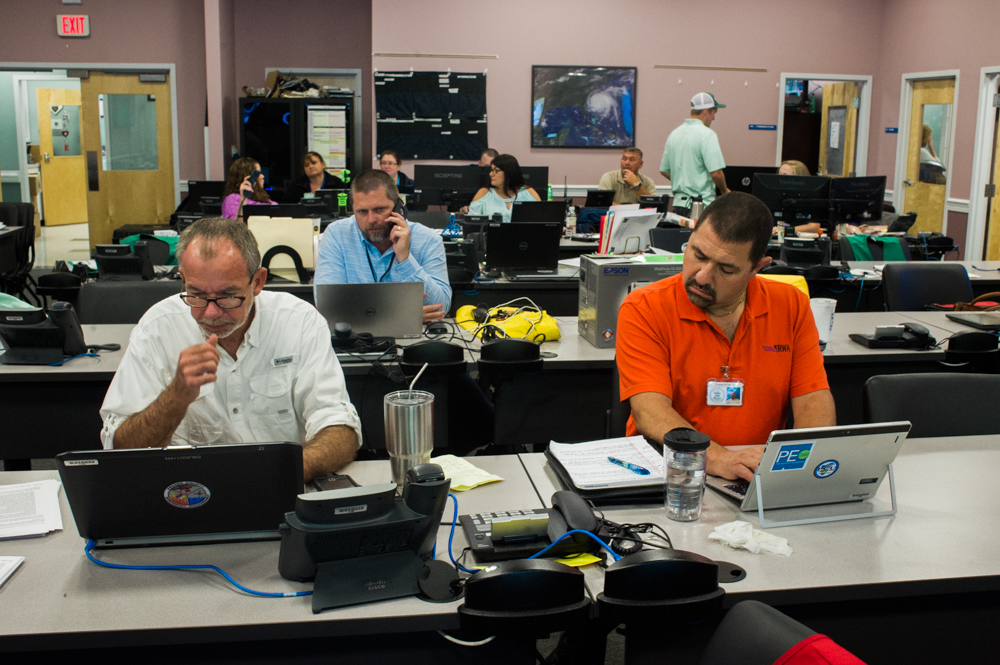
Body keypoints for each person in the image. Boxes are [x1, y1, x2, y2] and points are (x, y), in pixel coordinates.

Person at [99, 218, 362, 483]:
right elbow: (120, 447)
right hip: (188, 494)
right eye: (197, 294)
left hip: (282, 486)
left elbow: (340, 428)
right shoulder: (157, 328)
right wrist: (175, 398)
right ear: (183, 279)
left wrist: (277, 474)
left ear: (258, 282)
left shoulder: (299, 322)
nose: (211, 312)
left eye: (227, 295)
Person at [616, 192, 836, 482]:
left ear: (757, 268)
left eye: (726, 269)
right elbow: (651, 412)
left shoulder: (790, 305)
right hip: (668, 471)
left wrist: (800, 472)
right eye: (698, 255)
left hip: (751, 472)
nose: (703, 276)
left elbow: (813, 402)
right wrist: (720, 458)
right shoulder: (645, 307)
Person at [314, 169, 451, 323]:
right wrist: (403, 316)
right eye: (362, 212)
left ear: (398, 205)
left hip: (415, 341)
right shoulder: (337, 234)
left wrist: (405, 259)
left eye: (379, 209)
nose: (371, 219)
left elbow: (440, 309)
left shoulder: (428, 240)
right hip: (356, 341)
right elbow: (327, 306)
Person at [659, 92, 730, 217]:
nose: (714, 118)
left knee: (683, 237)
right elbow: (716, 173)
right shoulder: (707, 134)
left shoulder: (674, 134)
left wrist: (685, 181)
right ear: (706, 111)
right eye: (714, 113)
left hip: (679, 205)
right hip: (700, 206)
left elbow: (664, 170)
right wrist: (725, 191)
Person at [468, 153, 541, 222]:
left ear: (508, 173)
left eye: (496, 171)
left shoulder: (528, 193)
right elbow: (471, 225)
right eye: (491, 170)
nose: (490, 174)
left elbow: (541, 222)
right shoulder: (484, 193)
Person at [776, 160, 822, 236]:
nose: (780, 178)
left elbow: (814, 226)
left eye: (785, 175)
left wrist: (786, 230)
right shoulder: (775, 195)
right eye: (779, 174)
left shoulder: (810, 197)